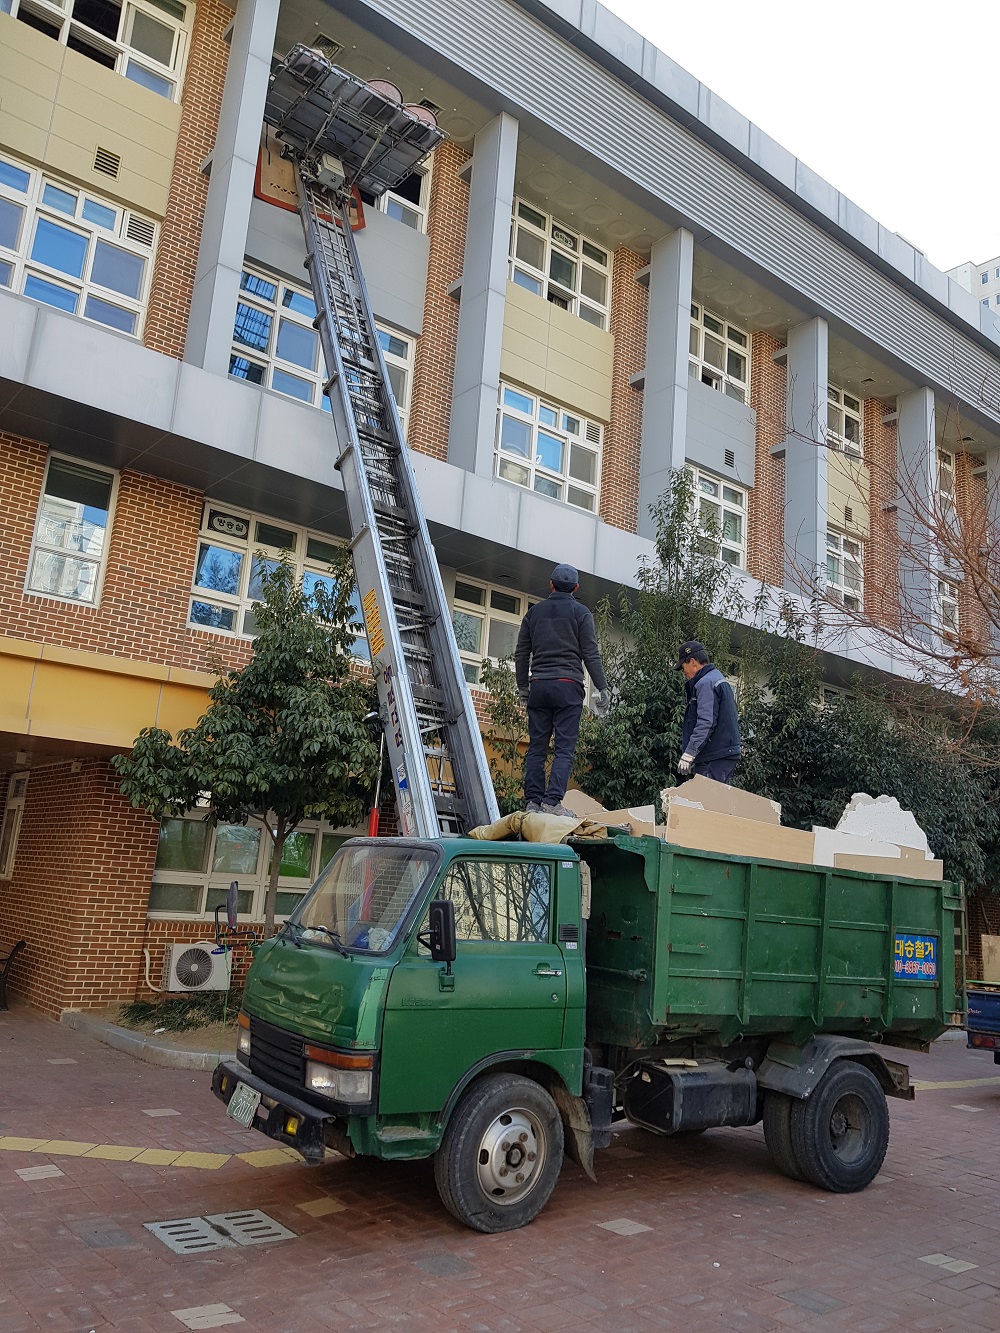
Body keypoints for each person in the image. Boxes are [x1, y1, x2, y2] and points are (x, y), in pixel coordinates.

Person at [515, 563, 611, 816]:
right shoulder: (581, 613)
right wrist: (603, 688)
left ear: (550, 584)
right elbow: (590, 654)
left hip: (539, 686)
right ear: (576, 588)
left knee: (537, 747)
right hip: (568, 686)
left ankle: (533, 802)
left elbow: (522, 653)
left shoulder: (533, 614)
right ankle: (552, 802)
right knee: (564, 749)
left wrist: (522, 687)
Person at [675, 640, 741, 784]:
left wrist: (690, 753)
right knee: (713, 802)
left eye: (683, 666)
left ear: (692, 661)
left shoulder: (706, 683)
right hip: (723, 752)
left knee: (706, 802)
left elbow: (706, 722)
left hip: (714, 755)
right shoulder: (717, 678)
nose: (684, 672)